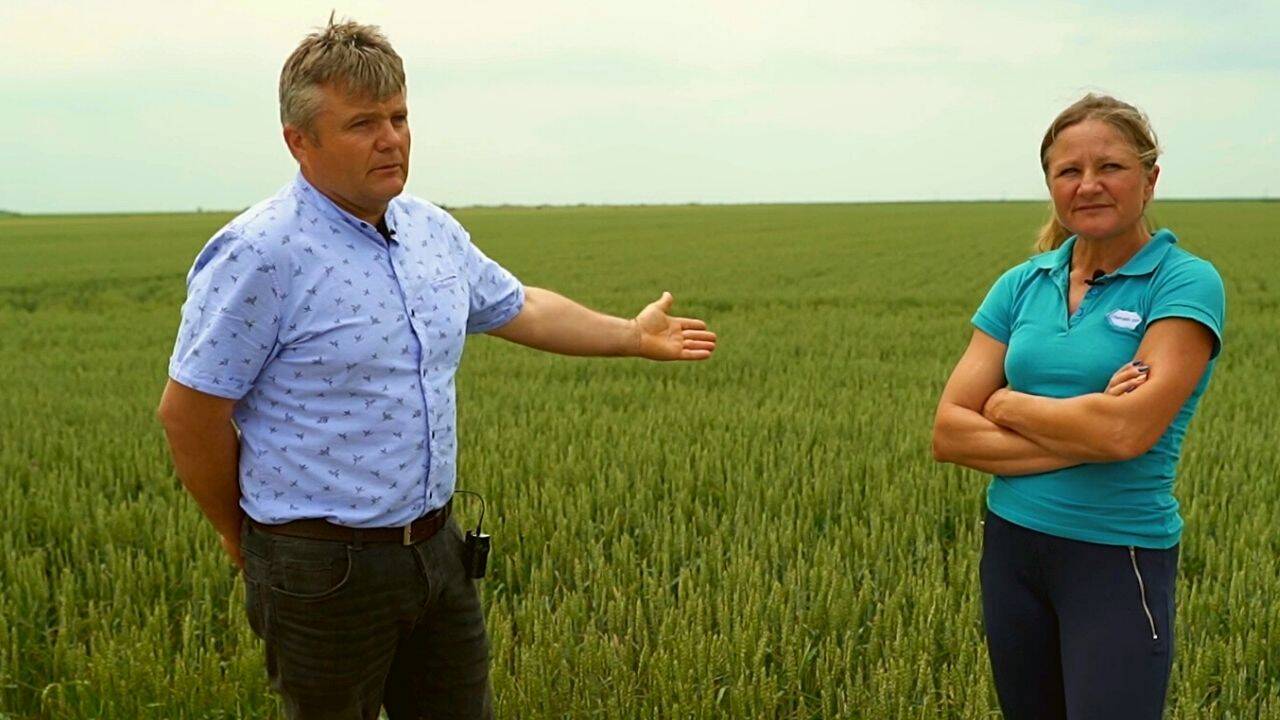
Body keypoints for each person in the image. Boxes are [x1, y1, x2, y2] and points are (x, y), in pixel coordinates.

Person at [155, 17, 716, 720]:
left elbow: (519, 305)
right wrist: (239, 534)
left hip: (436, 548)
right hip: (321, 568)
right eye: (362, 124)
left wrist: (630, 335)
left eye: (398, 117)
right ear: (300, 141)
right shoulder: (260, 255)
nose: (390, 139)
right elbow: (189, 412)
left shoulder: (429, 230)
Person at [931, 93, 1225, 720]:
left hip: (1117, 556)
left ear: (1150, 179)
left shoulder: (1183, 282)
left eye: (1110, 166)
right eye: (1069, 171)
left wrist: (1007, 404)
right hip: (1012, 550)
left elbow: (1124, 434)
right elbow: (949, 433)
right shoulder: (1022, 283)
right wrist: (1087, 427)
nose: (1088, 184)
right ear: (1051, 186)